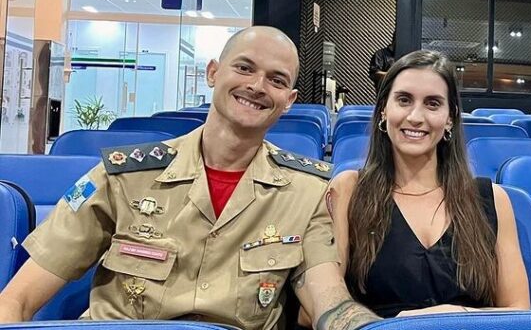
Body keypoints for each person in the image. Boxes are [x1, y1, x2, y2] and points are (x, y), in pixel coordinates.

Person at [0, 26, 379, 330]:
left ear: (289, 100)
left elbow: (328, 300)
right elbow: (18, 300)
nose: (257, 86)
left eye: (276, 80)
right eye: (244, 68)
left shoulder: (307, 191)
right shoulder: (124, 177)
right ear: (213, 72)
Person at [328, 49, 530, 317]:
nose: (416, 116)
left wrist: (447, 316)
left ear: (450, 118)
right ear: (383, 110)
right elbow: (324, 305)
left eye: (432, 104)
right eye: (404, 100)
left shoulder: (492, 200)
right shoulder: (348, 190)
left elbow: (518, 311)